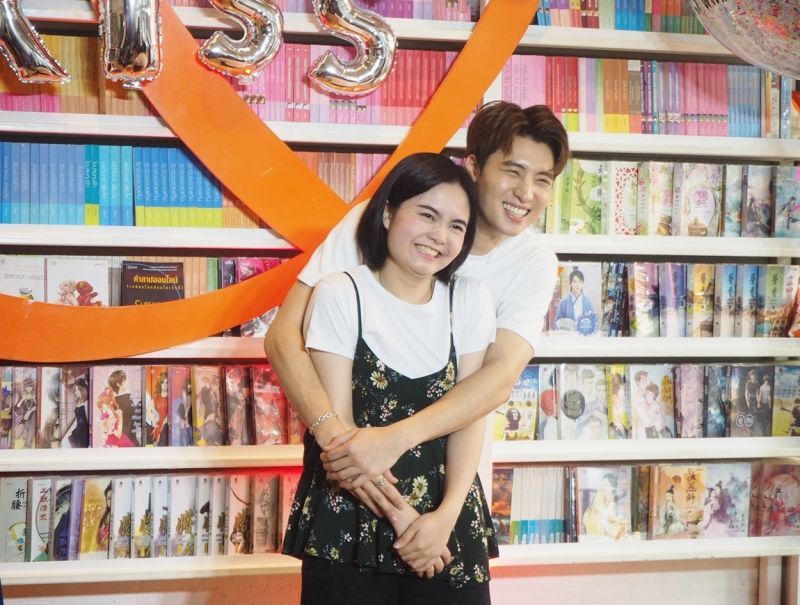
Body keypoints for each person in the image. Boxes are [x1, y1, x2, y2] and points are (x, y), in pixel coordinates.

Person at [265, 101, 569, 516]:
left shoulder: (533, 262)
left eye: (543, 179)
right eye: (513, 171)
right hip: (346, 467)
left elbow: (497, 379)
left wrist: (393, 442)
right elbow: (283, 336)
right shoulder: (377, 222)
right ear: (475, 167)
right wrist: (339, 442)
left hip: (448, 480)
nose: (526, 193)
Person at [282, 153, 497, 602]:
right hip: (351, 522)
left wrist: (444, 519)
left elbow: (469, 417)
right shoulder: (341, 293)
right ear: (387, 213)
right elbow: (341, 442)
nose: (439, 236)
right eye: (427, 215)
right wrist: (404, 520)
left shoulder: (470, 298)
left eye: (456, 226)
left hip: (445, 526)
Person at [581, 473, 629, 540]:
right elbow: (598, 515)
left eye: (606, 485)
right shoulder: (599, 498)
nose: (603, 488)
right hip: (596, 537)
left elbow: (622, 525)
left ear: (613, 487)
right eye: (602, 485)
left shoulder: (619, 504)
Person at [554, 267, 596, 335]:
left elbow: (593, 322)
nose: (577, 285)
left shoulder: (588, 302)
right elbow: (556, 324)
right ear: (570, 284)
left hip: (584, 337)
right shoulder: (563, 302)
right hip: (568, 337)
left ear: (582, 284)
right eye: (575, 281)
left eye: (580, 282)